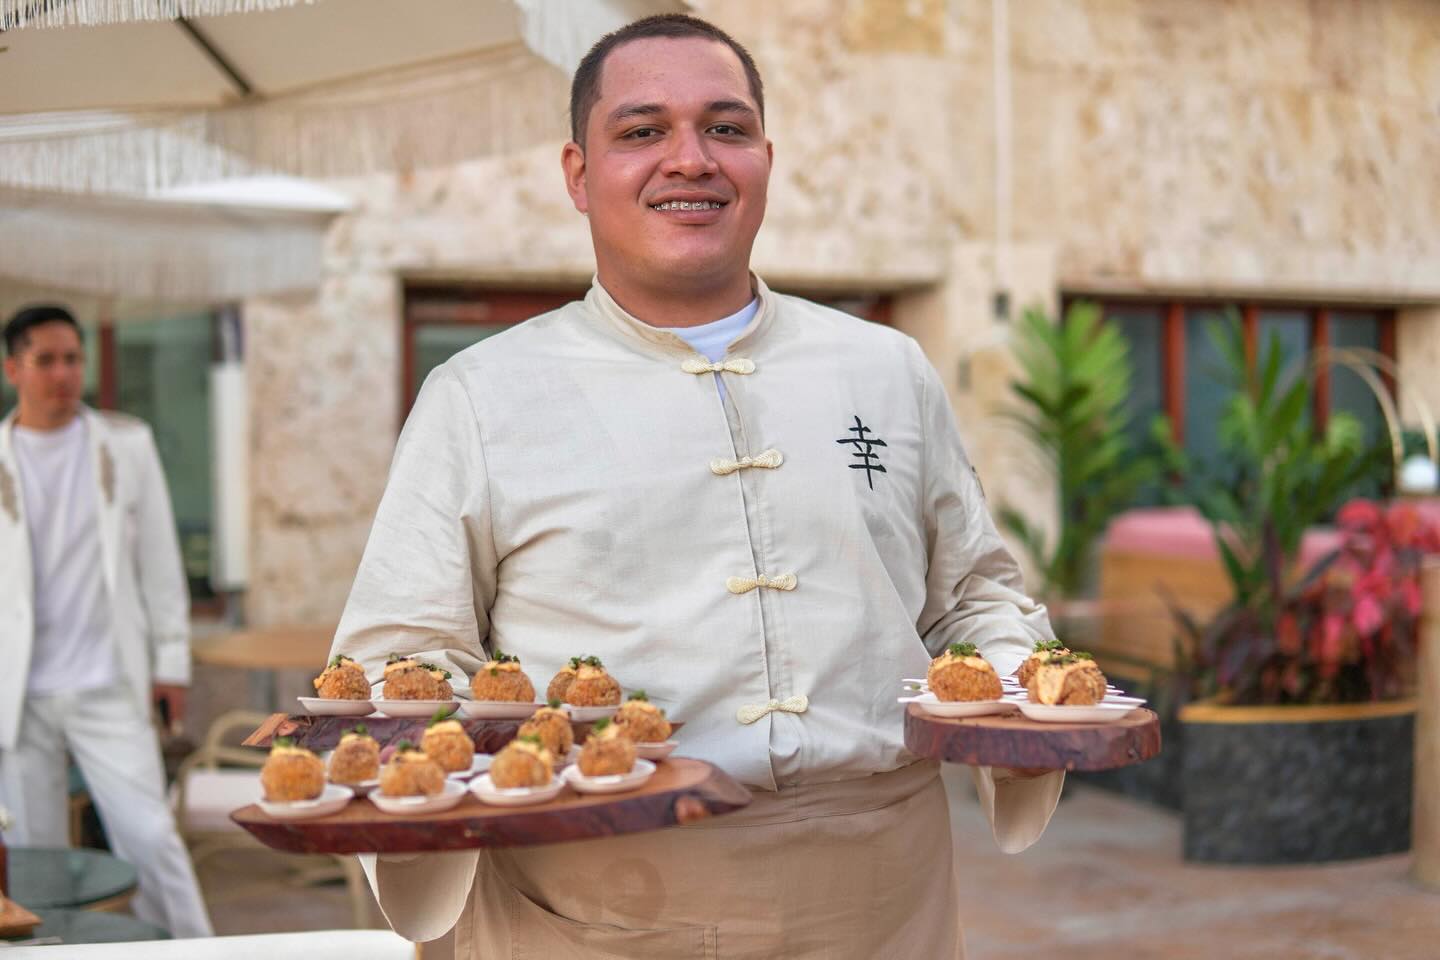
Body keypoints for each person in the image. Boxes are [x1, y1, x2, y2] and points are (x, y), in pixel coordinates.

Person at [333, 14, 1063, 958]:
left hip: (884, 900)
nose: (691, 159)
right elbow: (405, 659)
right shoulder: (480, 395)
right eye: (642, 131)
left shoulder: (887, 369)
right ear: (578, 174)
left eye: (726, 127)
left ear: (766, 158)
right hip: (591, 901)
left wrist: (1029, 686)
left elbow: (971, 598)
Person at [0, 305, 212, 938]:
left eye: (73, 358)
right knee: (33, 858)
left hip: (109, 679)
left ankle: (197, 952)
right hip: (17, 693)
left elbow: (159, 564)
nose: (63, 373)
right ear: (13, 369)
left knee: (151, 836)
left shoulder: (126, 444)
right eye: (45, 360)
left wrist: (171, 664)